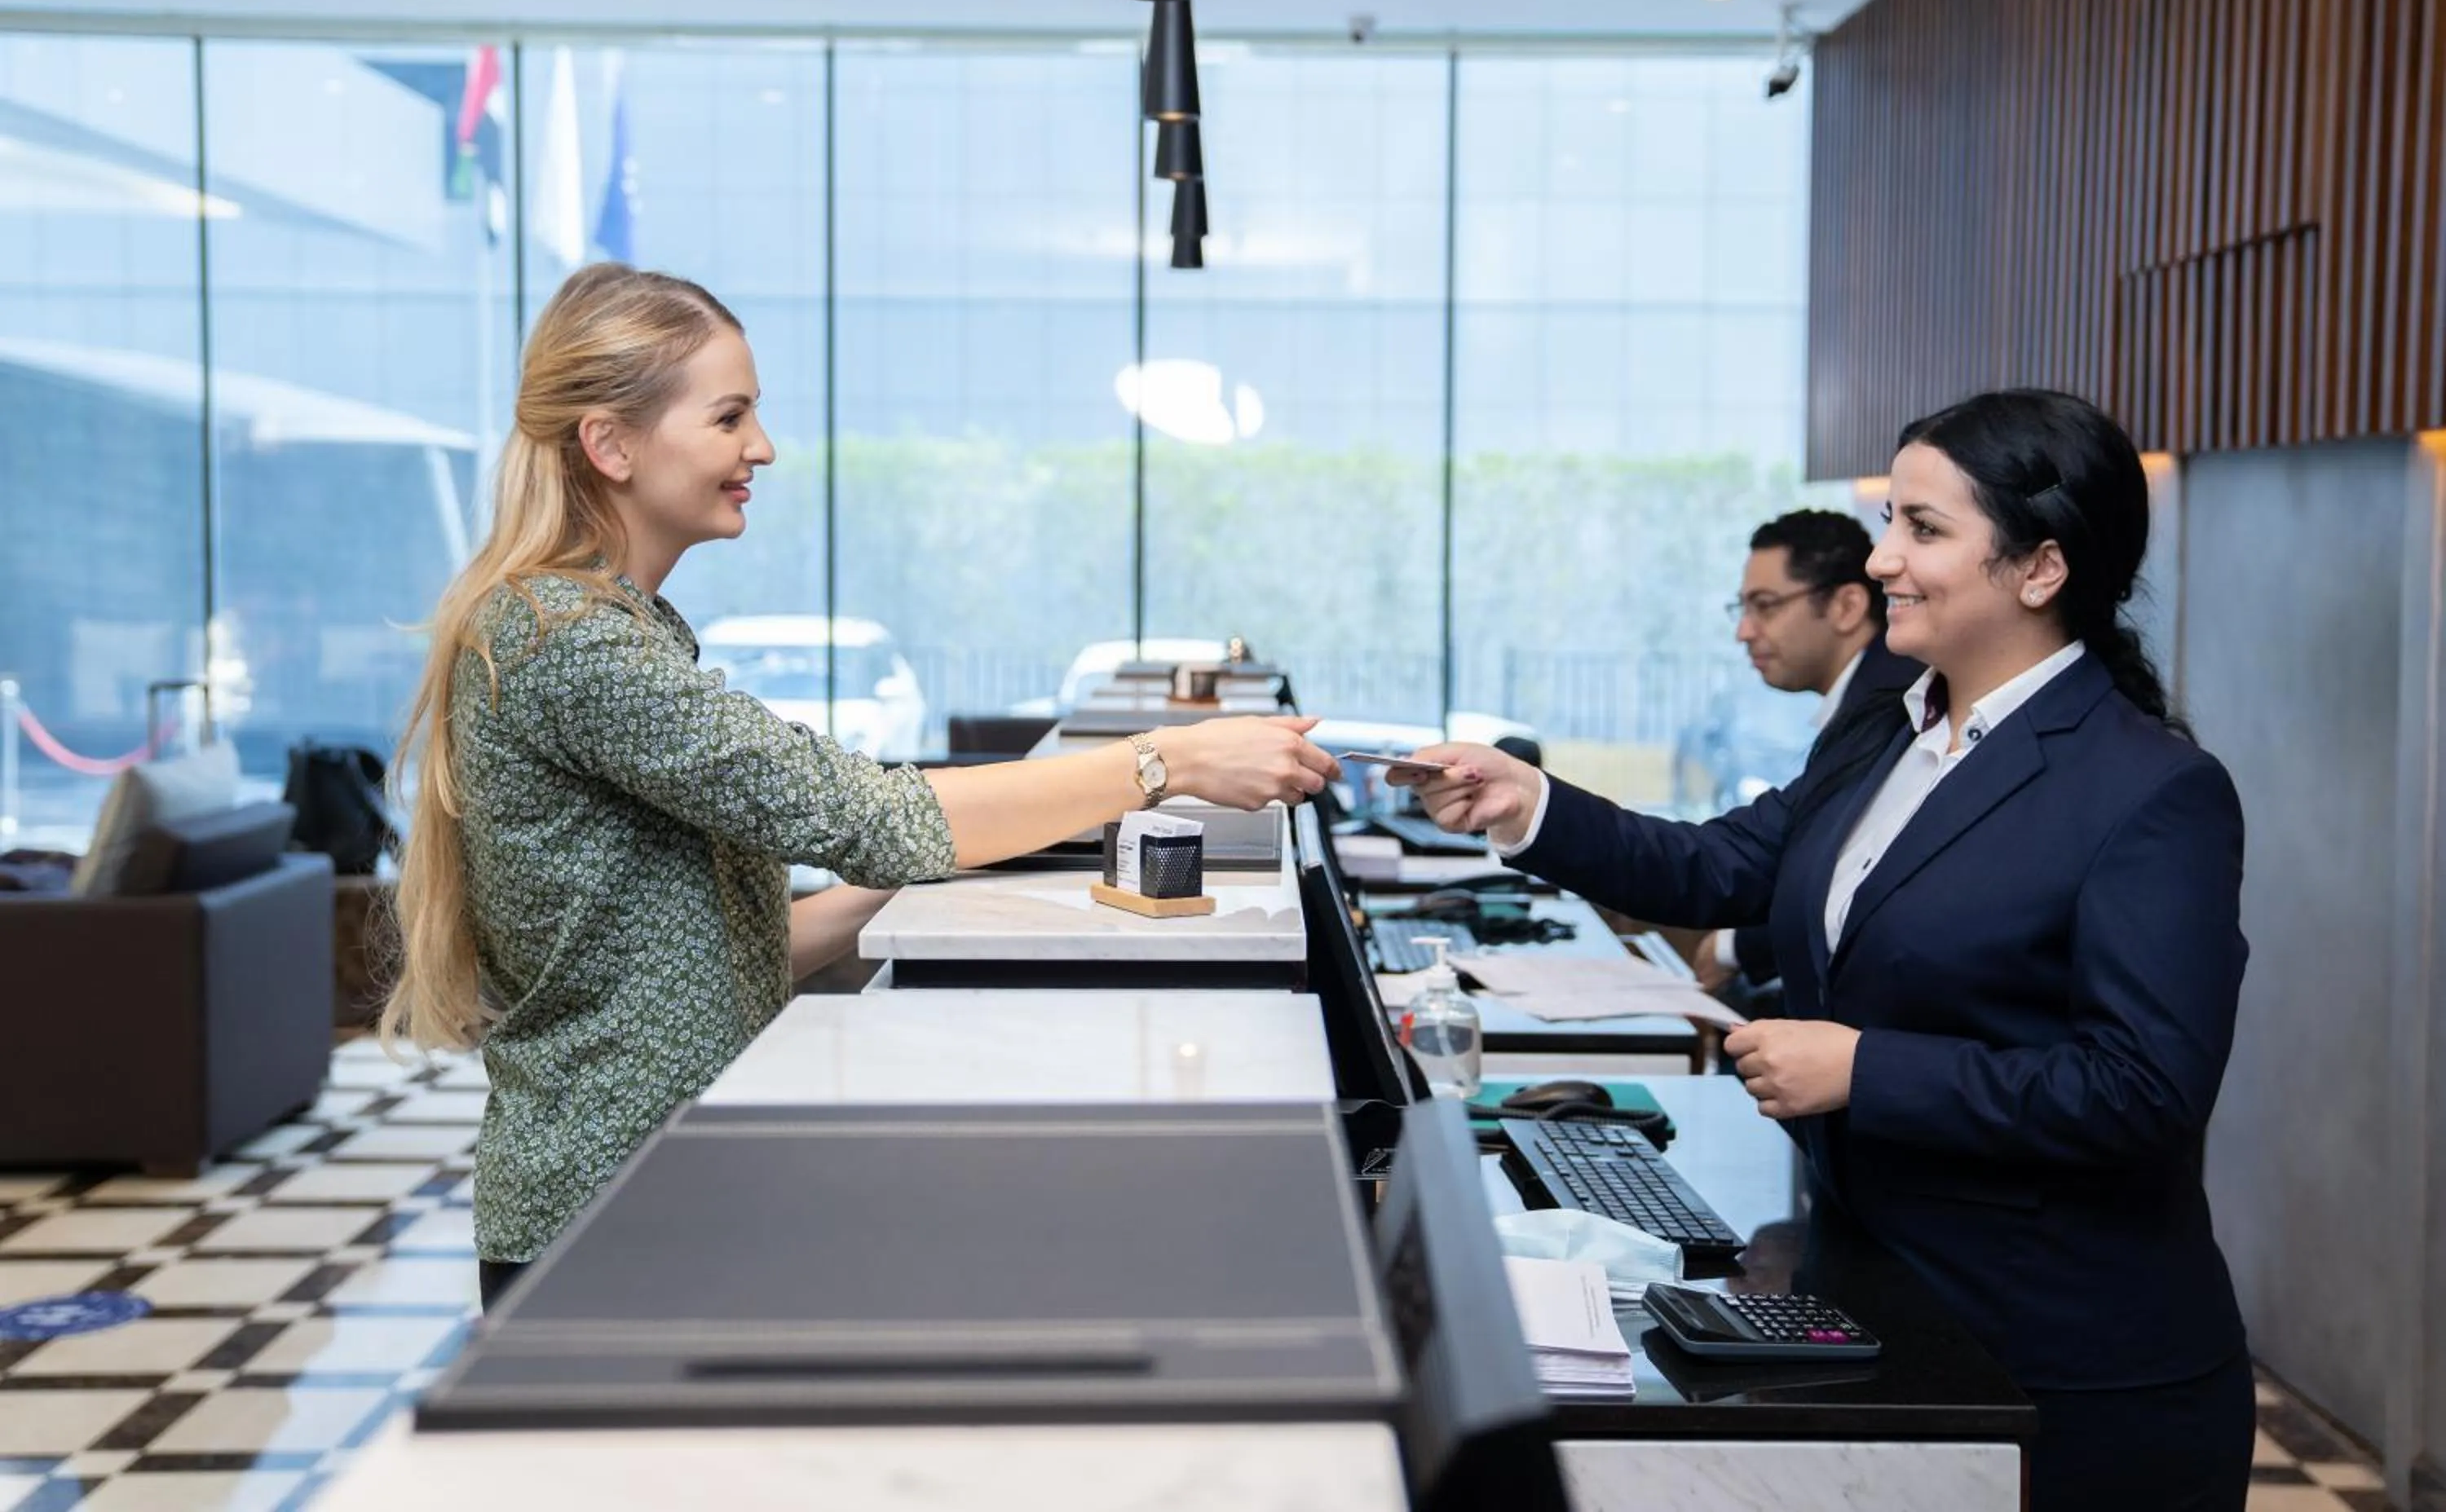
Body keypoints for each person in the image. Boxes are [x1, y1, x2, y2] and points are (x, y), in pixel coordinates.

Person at [382, 264, 1339, 1311]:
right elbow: (868, 815)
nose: (763, 447)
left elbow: (710, 963)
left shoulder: (603, 630)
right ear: (611, 445)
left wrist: (928, 880)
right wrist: (1170, 762)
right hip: (612, 1227)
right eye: (731, 415)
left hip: (660, 1204)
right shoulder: (569, 646)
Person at [1397, 388, 2250, 1512]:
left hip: (2073, 1369)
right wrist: (1528, 804)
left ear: (2039, 570)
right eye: (1893, 520)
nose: (1885, 559)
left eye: (1923, 529)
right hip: (1890, 1290)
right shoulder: (1892, 735)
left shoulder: (2153, 792)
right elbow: (1716, 867)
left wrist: (1861, 1068)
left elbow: (2145, 1090)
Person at [1693, 509, 1921, 995]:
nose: (1745, 632)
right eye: (1743, 609)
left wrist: (1736, 947)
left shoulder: (1891, 703)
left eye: (1766, 606)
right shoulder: (1870, 693)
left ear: (1846, 606)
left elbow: (1856, 877)